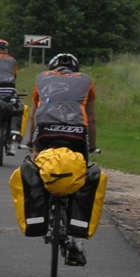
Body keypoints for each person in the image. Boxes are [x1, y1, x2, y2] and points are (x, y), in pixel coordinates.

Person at [25, 52, 97, 265]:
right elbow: (91, 119)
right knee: (82, 175)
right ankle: (76, 240)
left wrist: (32, 144)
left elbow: (34, 115)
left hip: (46, 131)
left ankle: (41, 215)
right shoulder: (86, 81)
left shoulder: (41, 78)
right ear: (76, 69)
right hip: (76, 134)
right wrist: (92, 146)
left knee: (37, 164)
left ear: (52, 68)